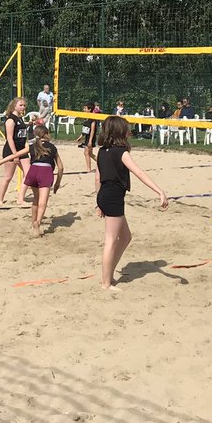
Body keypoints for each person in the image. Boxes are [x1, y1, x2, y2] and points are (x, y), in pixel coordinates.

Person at [95, 115, 168, 289]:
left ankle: (109, 274)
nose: (129, 131)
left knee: (125, 237)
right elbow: (139, 173)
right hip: (112, 196)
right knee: (111, 240)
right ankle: (106, 283)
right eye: (127, 128)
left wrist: (98, 202)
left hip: (105, 194)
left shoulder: (101, 151)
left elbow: (98, 177)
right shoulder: (121, 152)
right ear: (120, 131)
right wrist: (160, 191)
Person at [0, 121, 64, 238]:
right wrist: (57, 183)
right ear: (46, 135)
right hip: (45, 171)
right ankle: (38, 222)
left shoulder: (32, 146)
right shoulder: (52, 147)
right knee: (43, 201)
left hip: (33, 171)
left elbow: (15, 155)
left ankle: (33, 222)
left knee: (36, 199)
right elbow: (60, 167)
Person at [0, 97, 31, 205]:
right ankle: (0, 199)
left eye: (24, 105)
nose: (23, 107)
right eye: (21, 105)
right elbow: (9, 138)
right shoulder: (10, 120)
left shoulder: (20, 119)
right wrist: (15, 154)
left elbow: (22, 134)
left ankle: (20, 198)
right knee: (8, 176)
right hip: (11, 150)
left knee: (29, 174)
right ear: (14, 106)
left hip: (22, 150)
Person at [78, 101, 99, 173]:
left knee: (86, 152)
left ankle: (88, 168)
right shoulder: (86, 118)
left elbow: (92, 130)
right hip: (87, 137)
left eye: (85, 108)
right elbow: (85, 129)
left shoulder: (92, 118)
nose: (84, 110)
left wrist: (90, 141)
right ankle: (102, 162)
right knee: (90, 153)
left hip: (91, 137)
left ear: (89, 109)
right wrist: (81, 136)